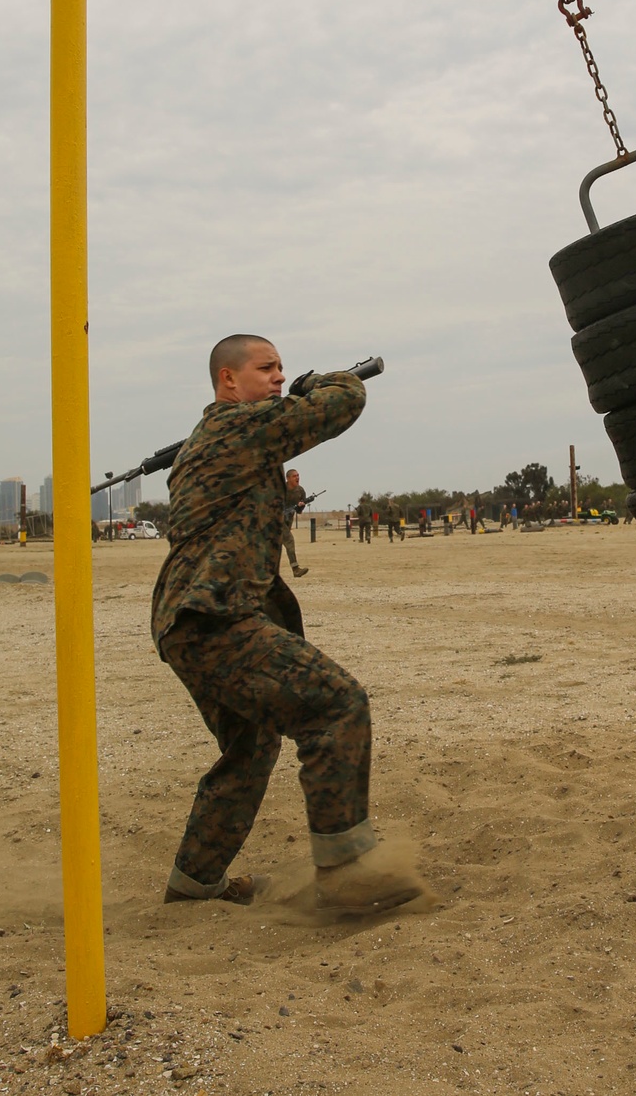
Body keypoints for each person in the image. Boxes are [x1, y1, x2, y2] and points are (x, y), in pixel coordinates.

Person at [151, 333, 425, 914]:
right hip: (215, 618)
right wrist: (318, 381)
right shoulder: (237, 428)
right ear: (229, 380)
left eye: (284, 369)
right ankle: (348, 872)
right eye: (267, 368)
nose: (280, 376)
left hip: (187, 622)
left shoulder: (226, 436)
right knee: (336, 705)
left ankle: (194, 884)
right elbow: (341, 404)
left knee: (250, 748)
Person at [282, 469, 308, 578]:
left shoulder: (300, 491)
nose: (297, 478)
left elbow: (299, 511)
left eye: (298, 475)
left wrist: (301, 506)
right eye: (294, 476)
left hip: (288, 521)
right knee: (289, 540)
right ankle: (295, 569)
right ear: (288, 478)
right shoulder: (280, 489)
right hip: (275, 521)